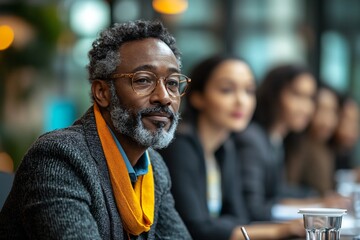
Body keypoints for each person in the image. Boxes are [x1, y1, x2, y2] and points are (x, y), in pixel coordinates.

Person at [0, 20, 192, 239]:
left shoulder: (154, 167)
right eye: (143, 80)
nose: (164, 97)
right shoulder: (59, 157)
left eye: (173, 83)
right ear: (102, 92)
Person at [160, 55, 305, 240]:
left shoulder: (225, 148)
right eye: (227, 90)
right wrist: (279, 231)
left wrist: (220, 225)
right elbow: (197, 228)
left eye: (249, 91)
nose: (241, 101)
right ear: (197, 97)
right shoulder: (180, 146)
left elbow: (240, 217)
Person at [234, 65, 348, 222]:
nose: (305, 107)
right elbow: (254, 207)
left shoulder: (276, 139)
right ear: (274, 94)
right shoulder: (252, 139)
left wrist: (317, 199)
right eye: (297, 95)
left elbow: (277, 192)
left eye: (310, 98)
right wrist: (316, 204)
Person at [286, 83, 341, 196]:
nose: (327, 119)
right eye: (322, 110)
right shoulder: (298, 145)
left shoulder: (326, 148)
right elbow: (288, 190)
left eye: (333, 111)